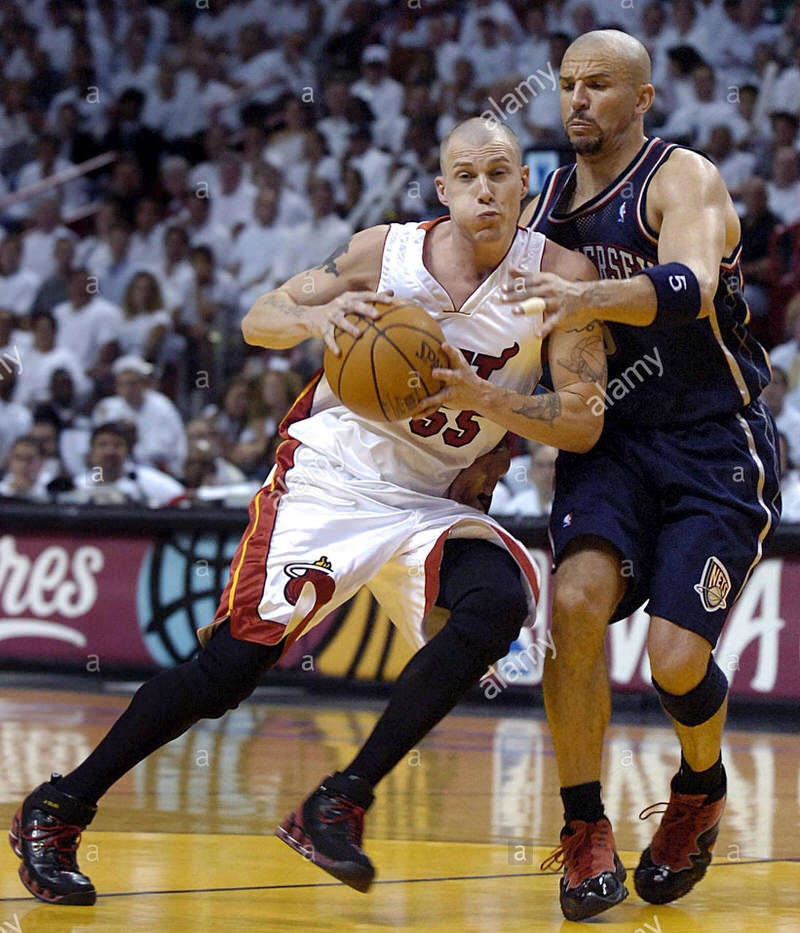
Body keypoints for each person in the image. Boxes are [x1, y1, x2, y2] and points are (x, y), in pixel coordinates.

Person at [10, 117, 606, 906]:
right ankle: (58, 806)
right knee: (228, 670)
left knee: (499, 600)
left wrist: (484, 397)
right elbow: (261, 317)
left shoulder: (559, 276)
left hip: (427, 500)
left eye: (500, 172)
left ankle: (341, 799)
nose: (484, 189)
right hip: (328, 479)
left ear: (526, 183)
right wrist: (316, 318)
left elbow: (584, 417)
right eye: (466, 175)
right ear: (442, 188)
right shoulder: (381, 252)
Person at [507, 29, 781, 922]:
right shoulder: (549, 200)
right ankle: (584, 825)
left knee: (674, 661)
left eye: (600, 86)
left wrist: (585, 297)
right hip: (614, 443)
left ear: (642, 99)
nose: (578, 99)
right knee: (575, 605)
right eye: (569, 85)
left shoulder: (683, 177)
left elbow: (690, 285)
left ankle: (700, 785)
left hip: (712, 443)